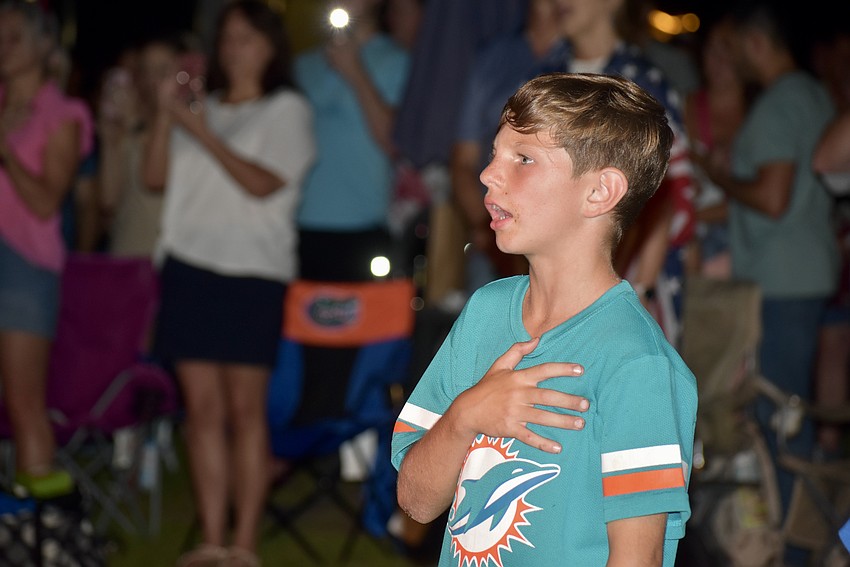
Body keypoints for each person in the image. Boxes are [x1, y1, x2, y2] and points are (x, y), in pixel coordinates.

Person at [392, 72, 697, 566]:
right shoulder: (486, 313)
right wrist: (468, 414)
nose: (489, 174)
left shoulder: (636, 363)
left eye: (524, 159)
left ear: (600, 192)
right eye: (494, 154)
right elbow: (416, 500)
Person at [142, 1, 316, 565]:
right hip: (189, 267)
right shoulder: (204, 107)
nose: (235, 47)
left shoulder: (285, 108)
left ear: (271, 46)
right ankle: (212, 540)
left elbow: (263, 183)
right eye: (229, 38)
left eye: (248, 37)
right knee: (203, 413)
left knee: (245, 411)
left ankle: (244, 544)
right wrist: (169, 114)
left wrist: (202, 131)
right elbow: (153, 178)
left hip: (251, 273)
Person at [699, 3, 839, 563]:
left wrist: (719, 177)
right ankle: (810, 541)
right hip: (806, 274)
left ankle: (802, 549)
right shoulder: (814, 94)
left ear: (758, 43)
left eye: (737, 48)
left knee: (780, 422)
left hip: (783, 281)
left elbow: (774, 198)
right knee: (789, 416)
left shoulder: (781, 103)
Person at [561, 0, 697, 345]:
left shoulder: (641, 81)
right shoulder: (545, 77)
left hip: (630, 281)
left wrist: (640, 291)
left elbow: (666, 192)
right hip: (558, 284)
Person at [0, 0, 94, 498]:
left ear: (43, 46)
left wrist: (6, 153)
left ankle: (41, 525)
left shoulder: (63, 114)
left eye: (14, 36)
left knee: (22, 400)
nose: (3, 46)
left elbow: (43, 202)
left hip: (25, 267)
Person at [451, 0, 566, 294]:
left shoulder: (583, 61)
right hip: (494, 230)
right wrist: (485, 225)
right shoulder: (493, 57)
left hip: (560, 238)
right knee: (488, 327)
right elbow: (464, 159)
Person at [294, 0, 410, 282]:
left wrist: (355, 71)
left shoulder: (398, 60)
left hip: (363, 224)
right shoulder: (301, 64)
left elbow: (394, 142)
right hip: (297, 224)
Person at [94, 33, 190, 258]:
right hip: (126, 256)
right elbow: (108, 201)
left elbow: (157, 181)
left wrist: (134, 128)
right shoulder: (130, 125)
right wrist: (110, 141)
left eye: (163, 70)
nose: (153, 79)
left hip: (169, 263)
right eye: (146, 70)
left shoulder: (190, 130)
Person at [682, 14, 751, 279]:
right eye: (712, 49)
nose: (719, 60)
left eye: (728, 49)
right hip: (694, 250)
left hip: (751, 249)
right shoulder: (682, 107)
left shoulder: (762, 112)